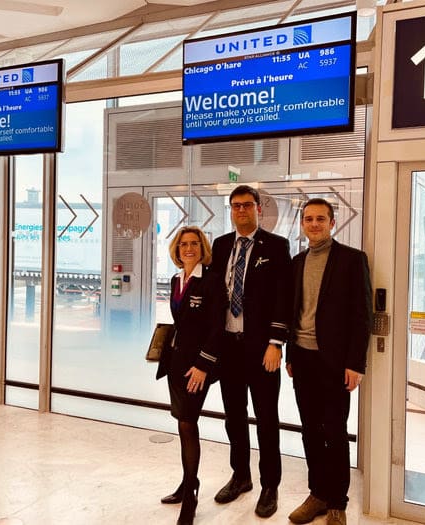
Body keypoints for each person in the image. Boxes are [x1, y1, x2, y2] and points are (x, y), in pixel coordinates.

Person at [286, 198, 372, 525]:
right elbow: (294, 314)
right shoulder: (297, 262)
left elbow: (362, 316)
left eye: (320, 219)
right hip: (303, 359)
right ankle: (317, 494)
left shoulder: (352, 260)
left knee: (334, 431)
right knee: (309, 430)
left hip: (335, 362)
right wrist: (291, 354)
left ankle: (337, 501)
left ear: (332, 222)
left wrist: (356, 364)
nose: (314, 224)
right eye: (308, 219)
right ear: (302, 224)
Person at [210, 185, 291, 518]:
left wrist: (276, 343)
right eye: (235, 206)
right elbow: (215, 293)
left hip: (261, 350)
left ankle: (270, 484)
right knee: (233, 416)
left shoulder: (275, 246)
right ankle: (240, 476)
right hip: (229, 346)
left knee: (267, 418)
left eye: (246, 205)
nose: (240, 210)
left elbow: (284, 297)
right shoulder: (220, 245)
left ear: (259, 208)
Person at [156, 226, 227, 525]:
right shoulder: (176, 279)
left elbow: (217, 329)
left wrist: (203, 365)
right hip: (175, 363)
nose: (189, 248)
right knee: (181, 423)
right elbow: (181, 322)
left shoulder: (211, 282)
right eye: (184, 244)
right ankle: (186, 483)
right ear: (177, 248)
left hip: (197, 367)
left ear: (202, 248)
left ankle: (192, 493)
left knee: (188, 424)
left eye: (194, 244)